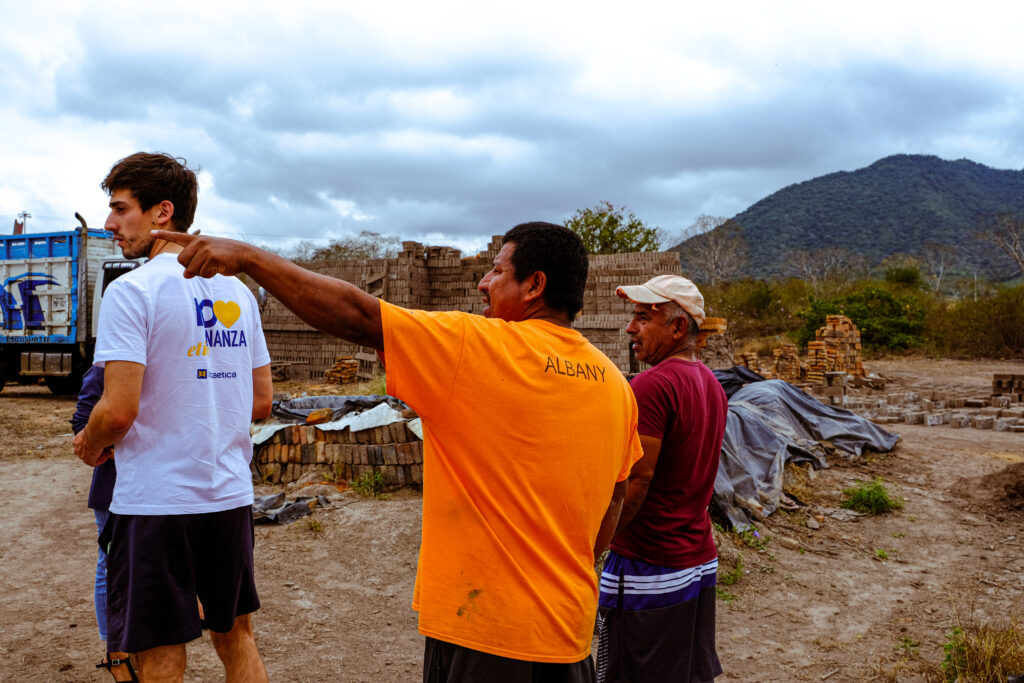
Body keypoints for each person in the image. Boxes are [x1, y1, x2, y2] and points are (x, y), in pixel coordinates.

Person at [154, 221, 644, 682]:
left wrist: (248, 257)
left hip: (485, 634)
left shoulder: (479, 347)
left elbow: (359, 316)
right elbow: (615, 501)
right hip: (570, 634)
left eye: (497, 271)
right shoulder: (614, 385)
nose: (482, 284)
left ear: (535, 285)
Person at [73, 152, 273, 682]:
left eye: (120, 210)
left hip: (157, 501)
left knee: (160, 651)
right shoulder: (238, 292)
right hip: (228, 495)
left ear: (163, 213)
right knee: (237, 640)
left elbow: (117, 411)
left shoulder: (133, 290)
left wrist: (90, 444)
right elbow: (261, 404)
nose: (111, 224)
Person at [596, 274, 728, 683]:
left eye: (642, 317)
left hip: (647, 568)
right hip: (697, 560)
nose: (631, 328)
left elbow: (638, 480)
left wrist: (595, 544)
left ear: (677, 327)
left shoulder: (652, 386)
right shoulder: (710, 383)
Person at [72, 364, 137, 682]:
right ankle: (116, 654)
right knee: (111, 568)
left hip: (154, 490)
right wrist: (115, 445)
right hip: (113, 489)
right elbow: (82, 426)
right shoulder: (104, 369)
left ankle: (133, 644)